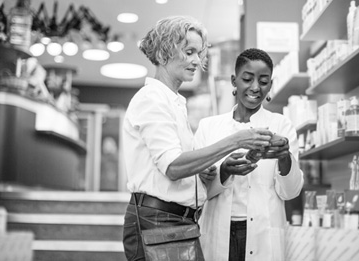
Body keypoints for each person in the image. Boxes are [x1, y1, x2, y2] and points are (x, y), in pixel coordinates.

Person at [122, 17, 274, 261]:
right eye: (189, 51)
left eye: (198, 53)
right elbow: (172, 167)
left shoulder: (173, 103)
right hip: (157, 222)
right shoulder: (152, 99)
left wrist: (201, 174)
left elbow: (173, 164)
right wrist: (237, 140)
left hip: (175, 222)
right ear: (163, 53)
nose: (196, 61)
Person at [194, 48, 304, 261]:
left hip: (263, 234)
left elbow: (290, 192)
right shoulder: (209, 127)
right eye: (247, 79)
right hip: (218, 232)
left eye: (263, 81)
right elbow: (196, 194)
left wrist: (284, 157)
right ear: (234, 81)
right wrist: (223, 172)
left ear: (270, 85)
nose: (255, 87)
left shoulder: (281, 125)